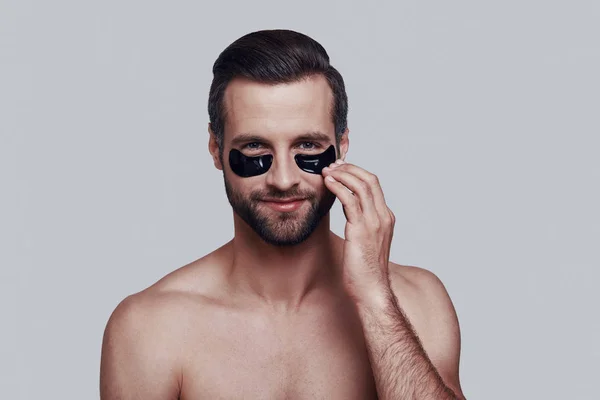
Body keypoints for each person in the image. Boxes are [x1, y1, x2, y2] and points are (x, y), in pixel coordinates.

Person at [100, 29, 466, 400]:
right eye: (255, 147)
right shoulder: (150, 327)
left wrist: (375, 299)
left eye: (307, 146)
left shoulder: (414, 301)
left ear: (341, 146)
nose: (283, 179)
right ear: (215, 148)